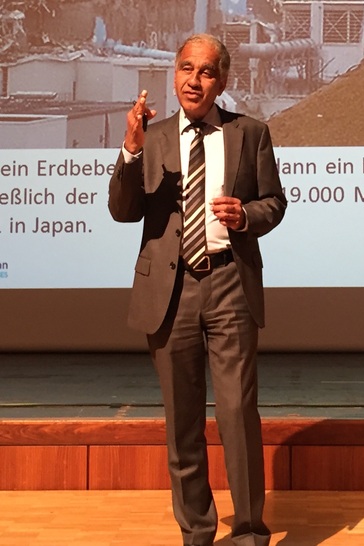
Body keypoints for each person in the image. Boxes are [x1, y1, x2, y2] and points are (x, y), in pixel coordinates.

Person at [108, 33, 286, 546]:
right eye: (186, 69)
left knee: (236, 412)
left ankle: (249, 531)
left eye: (206, 72)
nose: (194, 79)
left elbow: (274, 202)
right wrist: (131, 150)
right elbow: (123, 210)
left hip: (230, 282)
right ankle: (197, 531)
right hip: (171, 289)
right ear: (174, 74)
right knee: (182, 419)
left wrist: (247, 215)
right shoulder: (154, 136)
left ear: (222, 82)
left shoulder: (251, 133)